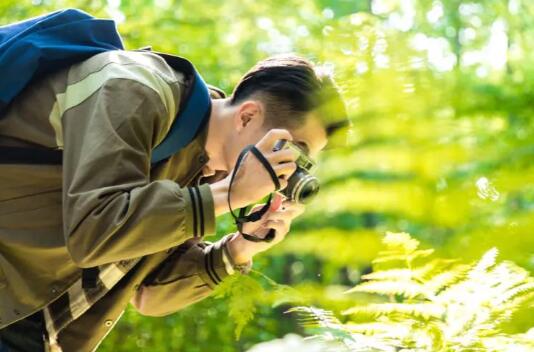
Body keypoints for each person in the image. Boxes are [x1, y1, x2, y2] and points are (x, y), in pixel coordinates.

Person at [0, 48, 348, 351]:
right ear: (247, 116)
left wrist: (240, 248)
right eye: (289, 151)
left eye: (301, 164)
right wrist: (227, 195)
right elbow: (95, 231)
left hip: (32, 327)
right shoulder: (134, 87)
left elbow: (149, 295)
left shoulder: (199, 170)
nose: (287, 173)